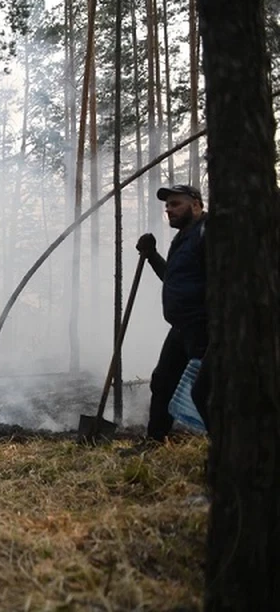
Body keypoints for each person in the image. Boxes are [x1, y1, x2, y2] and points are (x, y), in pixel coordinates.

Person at [134, 184, 209, 447]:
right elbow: (173, 279)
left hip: (203, 327)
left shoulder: (207, 233)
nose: (169, 210)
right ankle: (154, 442)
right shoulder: (183, 238)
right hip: (181, 328)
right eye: (167, 206)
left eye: (176, 204)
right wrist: (152, 255)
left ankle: (227, 449)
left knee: (206, 390)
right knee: (163, 382)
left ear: (196, 204)